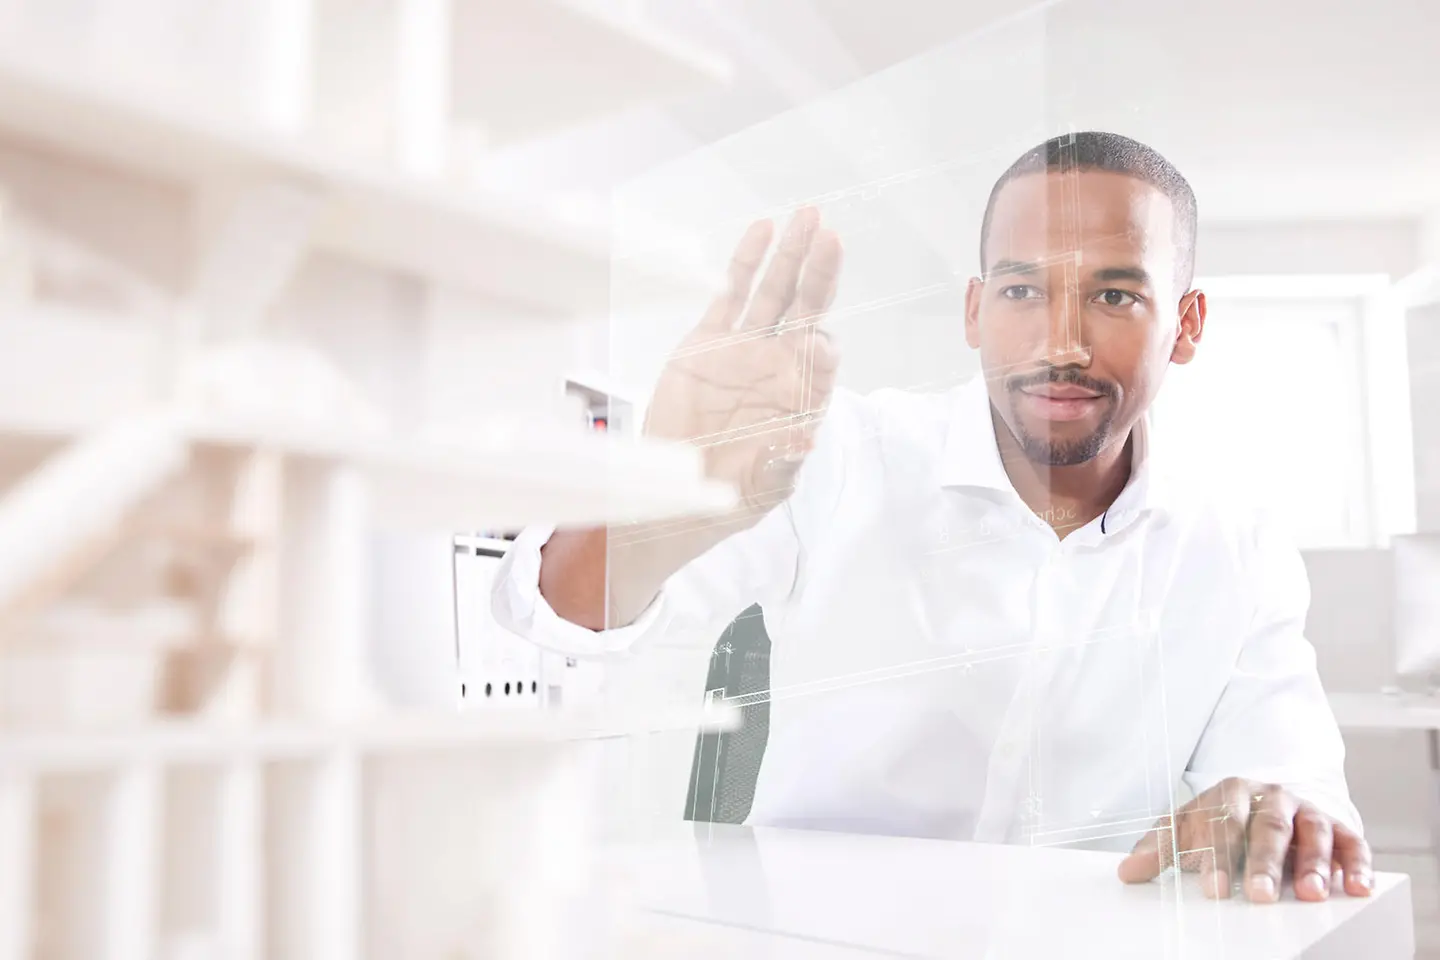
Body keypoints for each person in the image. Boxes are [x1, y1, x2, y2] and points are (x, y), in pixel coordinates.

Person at [492, 131, 1371, 904]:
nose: (1062, 340)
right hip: (813, 937)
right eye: (1023, 292)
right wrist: (660, 505)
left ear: (1186, 323)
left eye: (1114, 296)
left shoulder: (1238, 548)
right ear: (973, 311)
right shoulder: (835, 456)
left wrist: (1274, 807)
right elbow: (559, 618)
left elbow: (1292, 787)